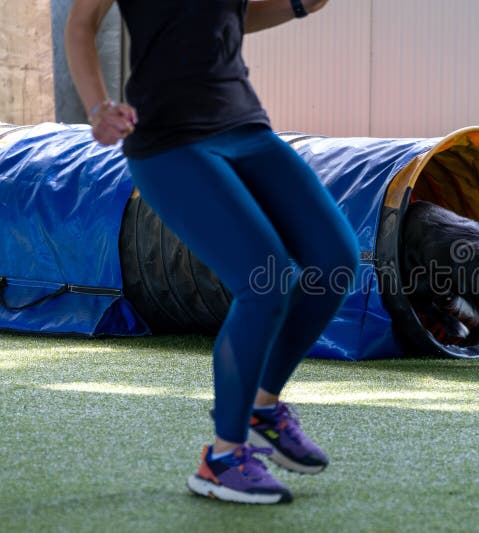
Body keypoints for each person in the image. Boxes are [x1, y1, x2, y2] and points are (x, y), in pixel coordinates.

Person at [66, 0, 360, 504]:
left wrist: (299, 5)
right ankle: (222, 459)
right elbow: (80, 24)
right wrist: (97, 107)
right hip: (168, 141)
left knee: (336, 260)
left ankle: (262, 406)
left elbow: (232, 16)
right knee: (265, 283)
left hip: (244, 127)